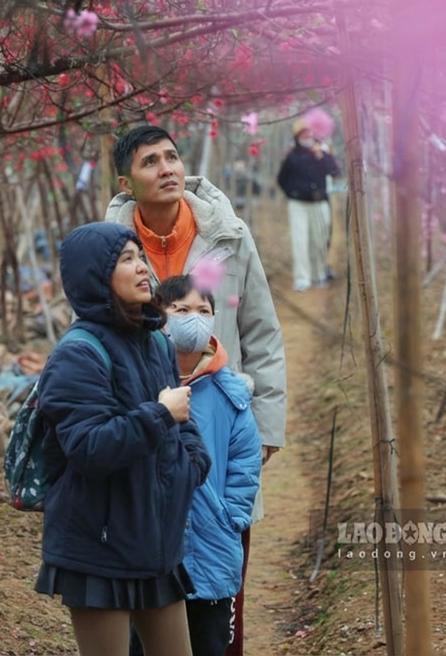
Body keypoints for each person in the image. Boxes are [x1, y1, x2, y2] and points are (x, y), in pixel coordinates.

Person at [107, 125, 287, 656]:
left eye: (172, 157)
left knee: (219, 572)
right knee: (144, 582)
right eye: (149, 162)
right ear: (126, 181)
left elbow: (261, 330)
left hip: (218, 426)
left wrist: (267, 426)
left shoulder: (227, 235)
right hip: (142, 429)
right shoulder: (110, 247)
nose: (166, 168)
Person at [34, 221, 211, 656]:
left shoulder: (156, 343)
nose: (141, 268)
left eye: (139, 257)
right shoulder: (77, 354)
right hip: (100, 544)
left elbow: (182, 422)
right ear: (95, 275)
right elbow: (89, 448)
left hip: (155, 541)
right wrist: (159, 414)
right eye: (125, 259)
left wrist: (191, 466)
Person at [158, 275, 261, 656]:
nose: (193, 319)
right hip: (152, 545)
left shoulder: (228, 393)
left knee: (209, 640)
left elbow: (245, 463)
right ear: (159, 317)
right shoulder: (143, 382)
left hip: (212, 543)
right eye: (181, 310)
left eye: (203, 310)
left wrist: (228, 516)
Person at [276, 119, 341, 291]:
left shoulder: (322, 153)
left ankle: (319, 274)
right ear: (298, 136)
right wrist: (292, 192)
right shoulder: (292, 156)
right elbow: (282, 179)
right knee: (300, 241)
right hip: (298, 204)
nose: (308, 136)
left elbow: (335, 172)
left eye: (311, 133)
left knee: (319, 240)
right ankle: (302, 278)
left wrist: (321, 155)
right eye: (304, 133)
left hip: (319, 203)